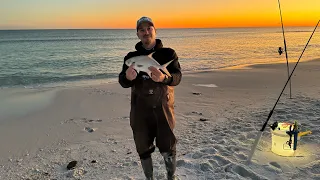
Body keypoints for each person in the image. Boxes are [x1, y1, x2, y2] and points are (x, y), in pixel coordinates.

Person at [118, 16, 182, 180]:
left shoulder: (168, 53)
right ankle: (149, 178)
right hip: (140, 110)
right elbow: (122, 81)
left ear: (155, 30)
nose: (146, 32)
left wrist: (164, 79)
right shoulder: (130, 57)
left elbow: (177, 77)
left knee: (168, 146)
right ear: (138, 34)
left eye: (149, 28)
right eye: (142, 29)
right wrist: (128, 78)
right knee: (143, 148)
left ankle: (171, 177)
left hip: (163, 108)